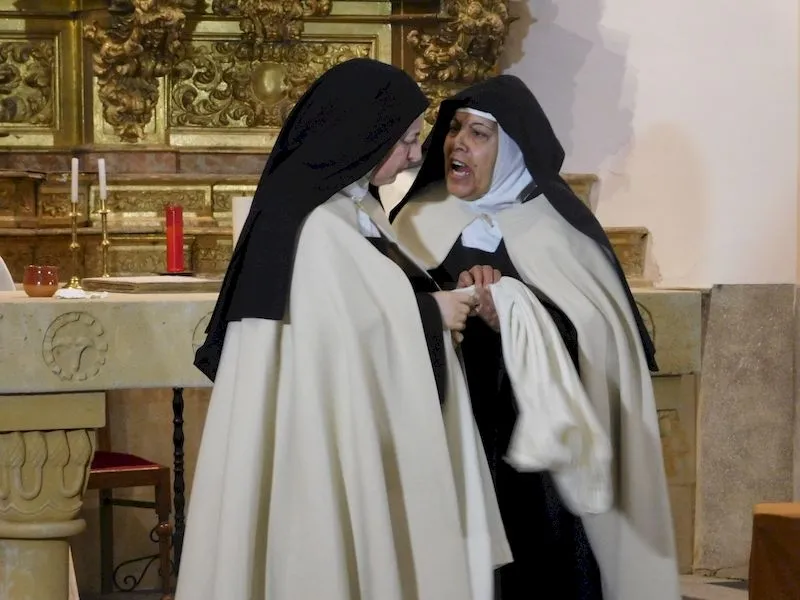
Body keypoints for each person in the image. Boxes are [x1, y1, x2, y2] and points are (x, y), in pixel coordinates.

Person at [176, 59, 510, 600]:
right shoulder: (313, 224)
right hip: (309, 444)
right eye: (406, 140)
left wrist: (437, 301)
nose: (416, 155)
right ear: (365, 135)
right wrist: (433, 313)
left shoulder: (345, 209)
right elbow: (343, 330)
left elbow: (363, 308)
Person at [390, 75, 681, 600]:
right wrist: (448, 299)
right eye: (454, 128)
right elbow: (387, 312)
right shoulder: (415, 219)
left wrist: (514, 310)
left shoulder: (558, 229)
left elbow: (598, 341)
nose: (457, 143)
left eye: (478, 134)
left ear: (512, 149)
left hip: (533, 456)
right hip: (445, 432)